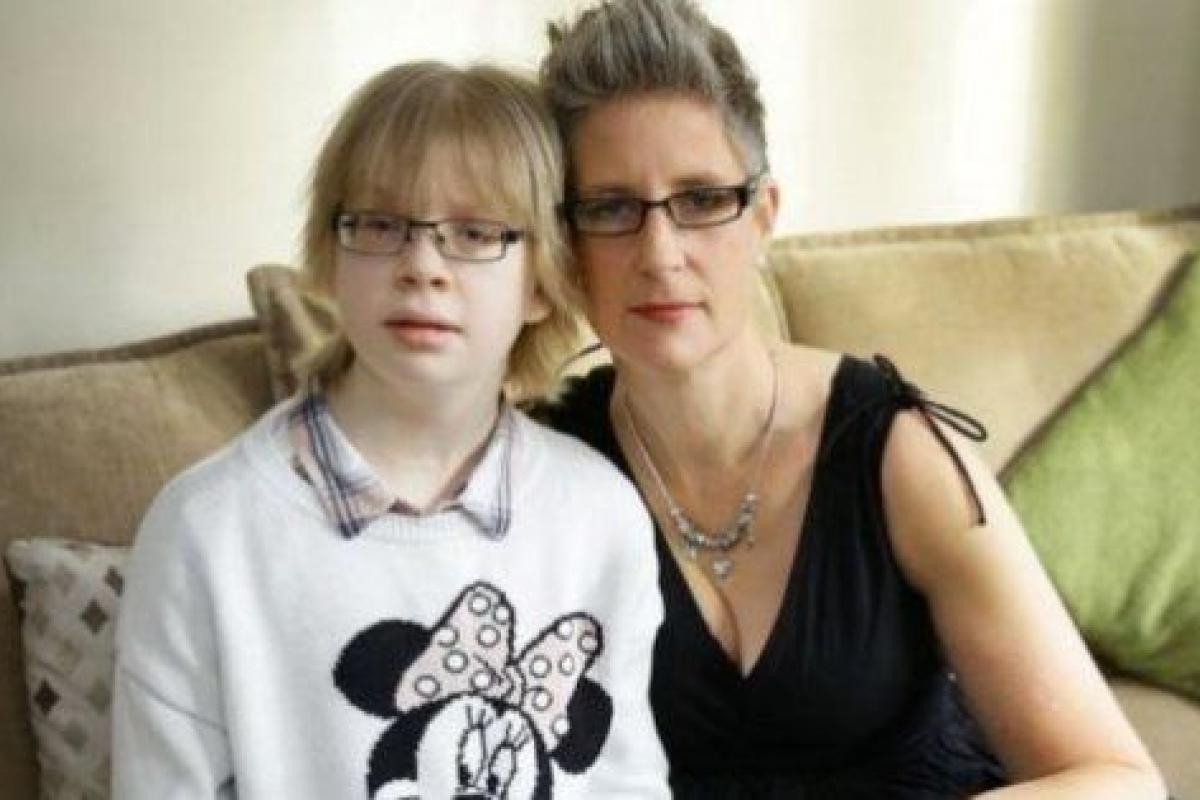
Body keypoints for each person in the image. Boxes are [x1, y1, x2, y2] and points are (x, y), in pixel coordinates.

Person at [536, 1, 1167, 797]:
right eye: (610, 208)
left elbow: (1116, 779)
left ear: (762, 217)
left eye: (700, 200)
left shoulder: (896, 450)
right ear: (564, 243)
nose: (660, 254)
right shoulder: (542, 474)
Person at [111, 61, 669, 799]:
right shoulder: (205, 531)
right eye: (380, 224)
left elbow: (626, 781)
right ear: (329, 256)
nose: (422, 265)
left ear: (541, 281)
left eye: (475, 232)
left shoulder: (601, 514)